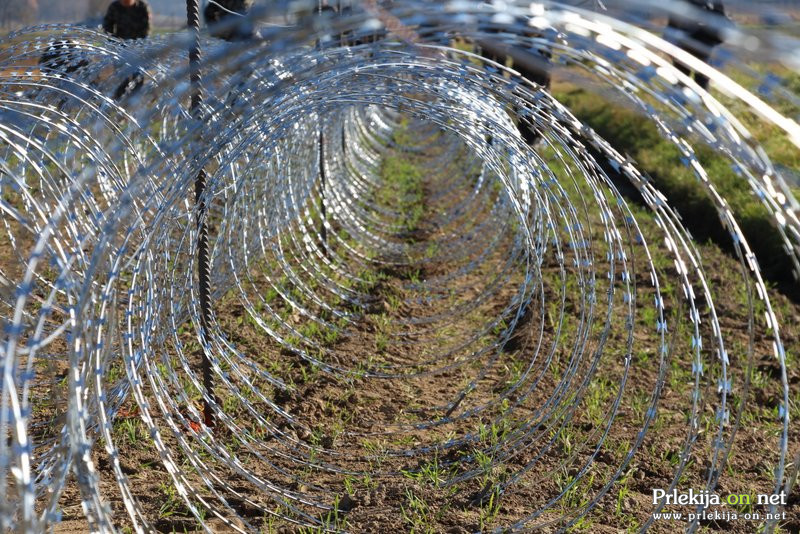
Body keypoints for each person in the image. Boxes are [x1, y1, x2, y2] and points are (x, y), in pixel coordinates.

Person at [665, 0, 728, 90]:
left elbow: (720, 16)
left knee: (700, 75)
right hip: (686, 41)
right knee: (683, 73)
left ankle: (697, 97)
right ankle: (680, 96)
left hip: (702, 39)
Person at [102, 0, 151, 100]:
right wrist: (113, 43)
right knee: (122, 75)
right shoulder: (114, 7)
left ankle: (134, 99)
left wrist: (139, 45)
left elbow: (146, 28)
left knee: (138, 75)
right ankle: (119, 99)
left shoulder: (141, 7)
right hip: (120, 46)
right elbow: (107, 26)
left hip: (137, 46)